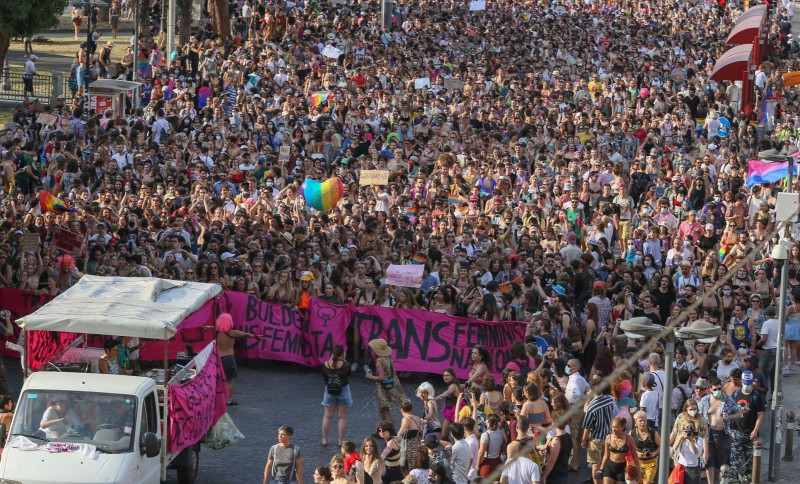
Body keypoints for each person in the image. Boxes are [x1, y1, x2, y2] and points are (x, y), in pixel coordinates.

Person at [698, 376, 743, 483]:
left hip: (723, 434)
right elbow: (699, 417)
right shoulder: (704, 401)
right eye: (715, 389)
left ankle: (722, 481)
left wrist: (729, 417)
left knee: (723, 462)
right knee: (709, 461)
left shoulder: (727, 399)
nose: (717, 391)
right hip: (708, 434)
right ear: (710, 389)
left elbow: (740, 414)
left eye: (719, 389)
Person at [214, 312, 266, 405]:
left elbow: (210, 327)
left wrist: (208, 328)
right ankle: (228, 400)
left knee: (218, 380)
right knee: (230, 380)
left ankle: (217, 398)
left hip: (217, 359)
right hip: (228, 358)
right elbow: (246, 334)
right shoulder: (233, 333)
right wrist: (256, 337)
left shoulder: (216, 332)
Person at [729, 370, 765, 482]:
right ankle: (734, 479)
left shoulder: (756, 396)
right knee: (735, 461)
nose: (747, 386)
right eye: (745, 383)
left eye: (749, 384)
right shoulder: (736, 394)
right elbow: (730, 411)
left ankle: (748, 478)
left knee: (750, 462)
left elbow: (760, 415)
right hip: (736, 433)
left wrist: (755, 431)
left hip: (750, 434)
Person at [582, 376, 617, 484]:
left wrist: (584, 440)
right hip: (609, 437)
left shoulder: (592, 407)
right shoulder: (611, 399)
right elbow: (615, 414)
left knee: (595, 466)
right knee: (605, 464)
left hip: (596, 439)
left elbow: (587, 427)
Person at [365, 339, 407, 426]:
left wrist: (371, 376)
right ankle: (381, 428)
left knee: (385, 410)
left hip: (383, 388)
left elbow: (381, 377)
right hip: (389, 385)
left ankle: (391, 431)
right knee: (382, 408)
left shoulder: (379, 361)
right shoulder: (388, 358)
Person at [321, 345, 352, 447]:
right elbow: (348, 375)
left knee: (327, 416)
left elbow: (325, 378)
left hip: (329, 391)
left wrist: (331, 358)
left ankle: (325, 439)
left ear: (333, 353)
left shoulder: (326, 364)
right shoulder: (346, 365)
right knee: (342, 417)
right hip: (343, 390)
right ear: (343, 353)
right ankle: (340, 441)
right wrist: (344, 359)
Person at [599, 417, 639, 484]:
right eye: (612, 427)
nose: (613, 429)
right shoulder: (608, 437)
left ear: (622, 427)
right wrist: (601, 469)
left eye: (616, 427)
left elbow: (635, 455)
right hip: (610, 466)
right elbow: (606, 455)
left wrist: (638, 470)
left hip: (622, 468)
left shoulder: (629, 439)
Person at [541, 410, 572, 484]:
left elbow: (552, 460)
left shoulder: (557, 440)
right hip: (563, 473)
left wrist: (544, 476)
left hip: (555, 476)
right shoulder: (568, 436)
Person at [631, 411, 659, 484]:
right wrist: (636, 453)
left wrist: (654, 454)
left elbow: (661, 446)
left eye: (644, 420)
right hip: (637, 462)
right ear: (636, 422)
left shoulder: (653, 432)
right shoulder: (632, 433)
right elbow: (628, 448)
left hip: (651, 462)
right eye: (640, 421)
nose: (643, 423)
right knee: (638, 481)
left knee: (647, 482)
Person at [758, 305, 779, 391]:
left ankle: (764, 395)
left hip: (768, 350)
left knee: (764, 373)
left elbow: (764, 338)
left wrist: (758, 344)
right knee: (774, 374)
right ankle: (774, 393)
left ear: (766, 314)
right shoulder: (778, 322)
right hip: (777, 349)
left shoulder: (766, 323)